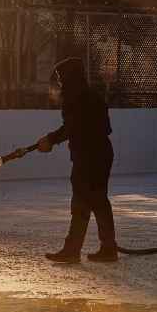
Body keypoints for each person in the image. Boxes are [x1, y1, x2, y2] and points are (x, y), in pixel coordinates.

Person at [37, 57, 118, 263]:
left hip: (89, 158)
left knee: (82, 202)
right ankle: (107, 248)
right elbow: (104, 128)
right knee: (98, 201)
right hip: (100, 155)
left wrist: (51, 139)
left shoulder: (77, 99)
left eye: (62, 78)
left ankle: (73, 250)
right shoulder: (92, 97)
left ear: (70, 78)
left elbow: (72, 127)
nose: (60, 83)